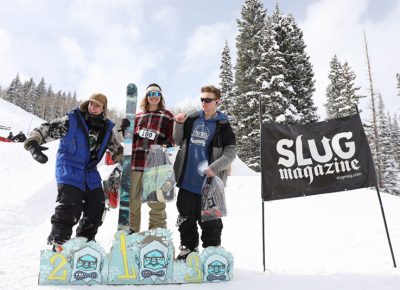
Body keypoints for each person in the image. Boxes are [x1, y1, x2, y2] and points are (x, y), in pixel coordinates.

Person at [24, 93, 123, 251]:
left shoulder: (107, 129)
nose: (92, 107)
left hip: (90, 173)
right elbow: (46, 129)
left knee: (97, 208)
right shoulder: (72, 120)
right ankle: (59, 245)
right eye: (91, 104)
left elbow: (117, 151)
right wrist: (33, 143)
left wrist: (128, 154)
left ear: (104, 108)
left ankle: (83, 243)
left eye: (97, 105)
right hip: (69, 169)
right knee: (71, 207)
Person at [173, 85, 236, 261]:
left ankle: (212, 251)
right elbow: (178, 140)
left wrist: (214, 168)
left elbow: (231, 152)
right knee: (185, 217)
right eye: (202, 99)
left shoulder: (223, 125)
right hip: (187, 179)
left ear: (217, 101)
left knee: (211, 219)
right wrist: (178, 124)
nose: (204, 103)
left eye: (208, 100)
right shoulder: (192, 118)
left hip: (210, 182)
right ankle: (189, 250)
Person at [128, 83, 174, 233]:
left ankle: (157, 232)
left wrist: (167, 143)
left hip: (155, 165)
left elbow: (172, 139)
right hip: (137, 162)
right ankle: (132, 231)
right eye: (150, 94)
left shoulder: (167, 116)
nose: (153, 97)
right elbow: (129, 140)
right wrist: (126, 129)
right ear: (146, 97)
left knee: (156, 200)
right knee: (133, 201)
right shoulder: (138, 116)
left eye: (156, 94)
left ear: (160, 97)